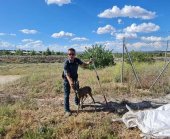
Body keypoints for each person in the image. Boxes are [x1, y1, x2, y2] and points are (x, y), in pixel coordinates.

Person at [63, 48, 92, 116]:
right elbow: (67, 74)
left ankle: (77, 103)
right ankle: (67, 110)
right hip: (67, 80)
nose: (71, 55)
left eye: (73, 54)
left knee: (78, 92)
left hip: (75, 79)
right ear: (68, 55)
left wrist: (89, 62)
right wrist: (71, 82)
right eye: (70, 54)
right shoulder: (66, 63)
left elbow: (83, 64)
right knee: (67, 94)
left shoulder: (76, 60)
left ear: (75, 54)